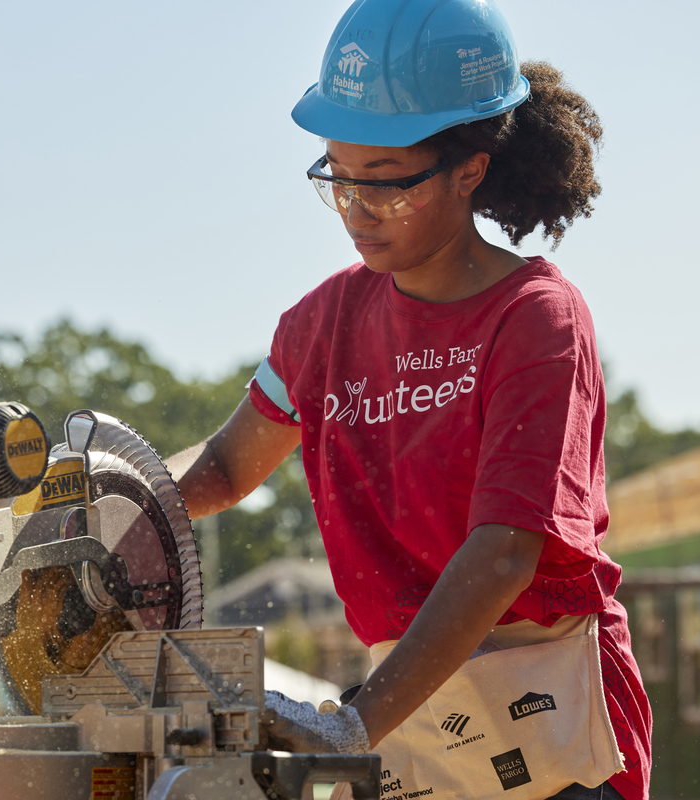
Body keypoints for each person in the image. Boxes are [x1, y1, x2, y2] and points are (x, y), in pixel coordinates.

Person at [165, 0, 651, 798]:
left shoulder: (533, 316)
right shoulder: (324, 324)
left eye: (386, 186)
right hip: (406, 697)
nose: (356, 210)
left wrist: (357, 724)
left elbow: (502, 552)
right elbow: (221, 468)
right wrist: (115, 493)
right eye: (338, 178)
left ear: (471, 169)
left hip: (542, 702)